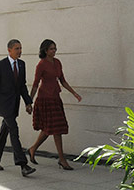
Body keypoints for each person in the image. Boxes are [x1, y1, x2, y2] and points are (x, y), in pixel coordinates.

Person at [0, 39, 36, 177]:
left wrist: (28, 102)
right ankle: (23, 164)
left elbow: (22, 86)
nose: (19, 51)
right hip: (4, 105)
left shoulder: (22, 64)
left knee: (4, 131)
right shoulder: (0, 65)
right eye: (17, 48)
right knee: (14, 130)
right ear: (9, 50)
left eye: (20, 48)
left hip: (14, 105)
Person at [27, 39, 82, 170]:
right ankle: (62, 160)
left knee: (51, 128)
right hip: (44, 99)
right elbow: (35, 84)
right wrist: (29, 102)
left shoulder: (57, 62)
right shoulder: (41, 65)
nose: (54, 51)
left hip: (55, 98)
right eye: (52, 49)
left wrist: (74, 93)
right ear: (45, 50)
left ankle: (33, 149)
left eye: (55, 48)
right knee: (54, 129)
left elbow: (62, 80)